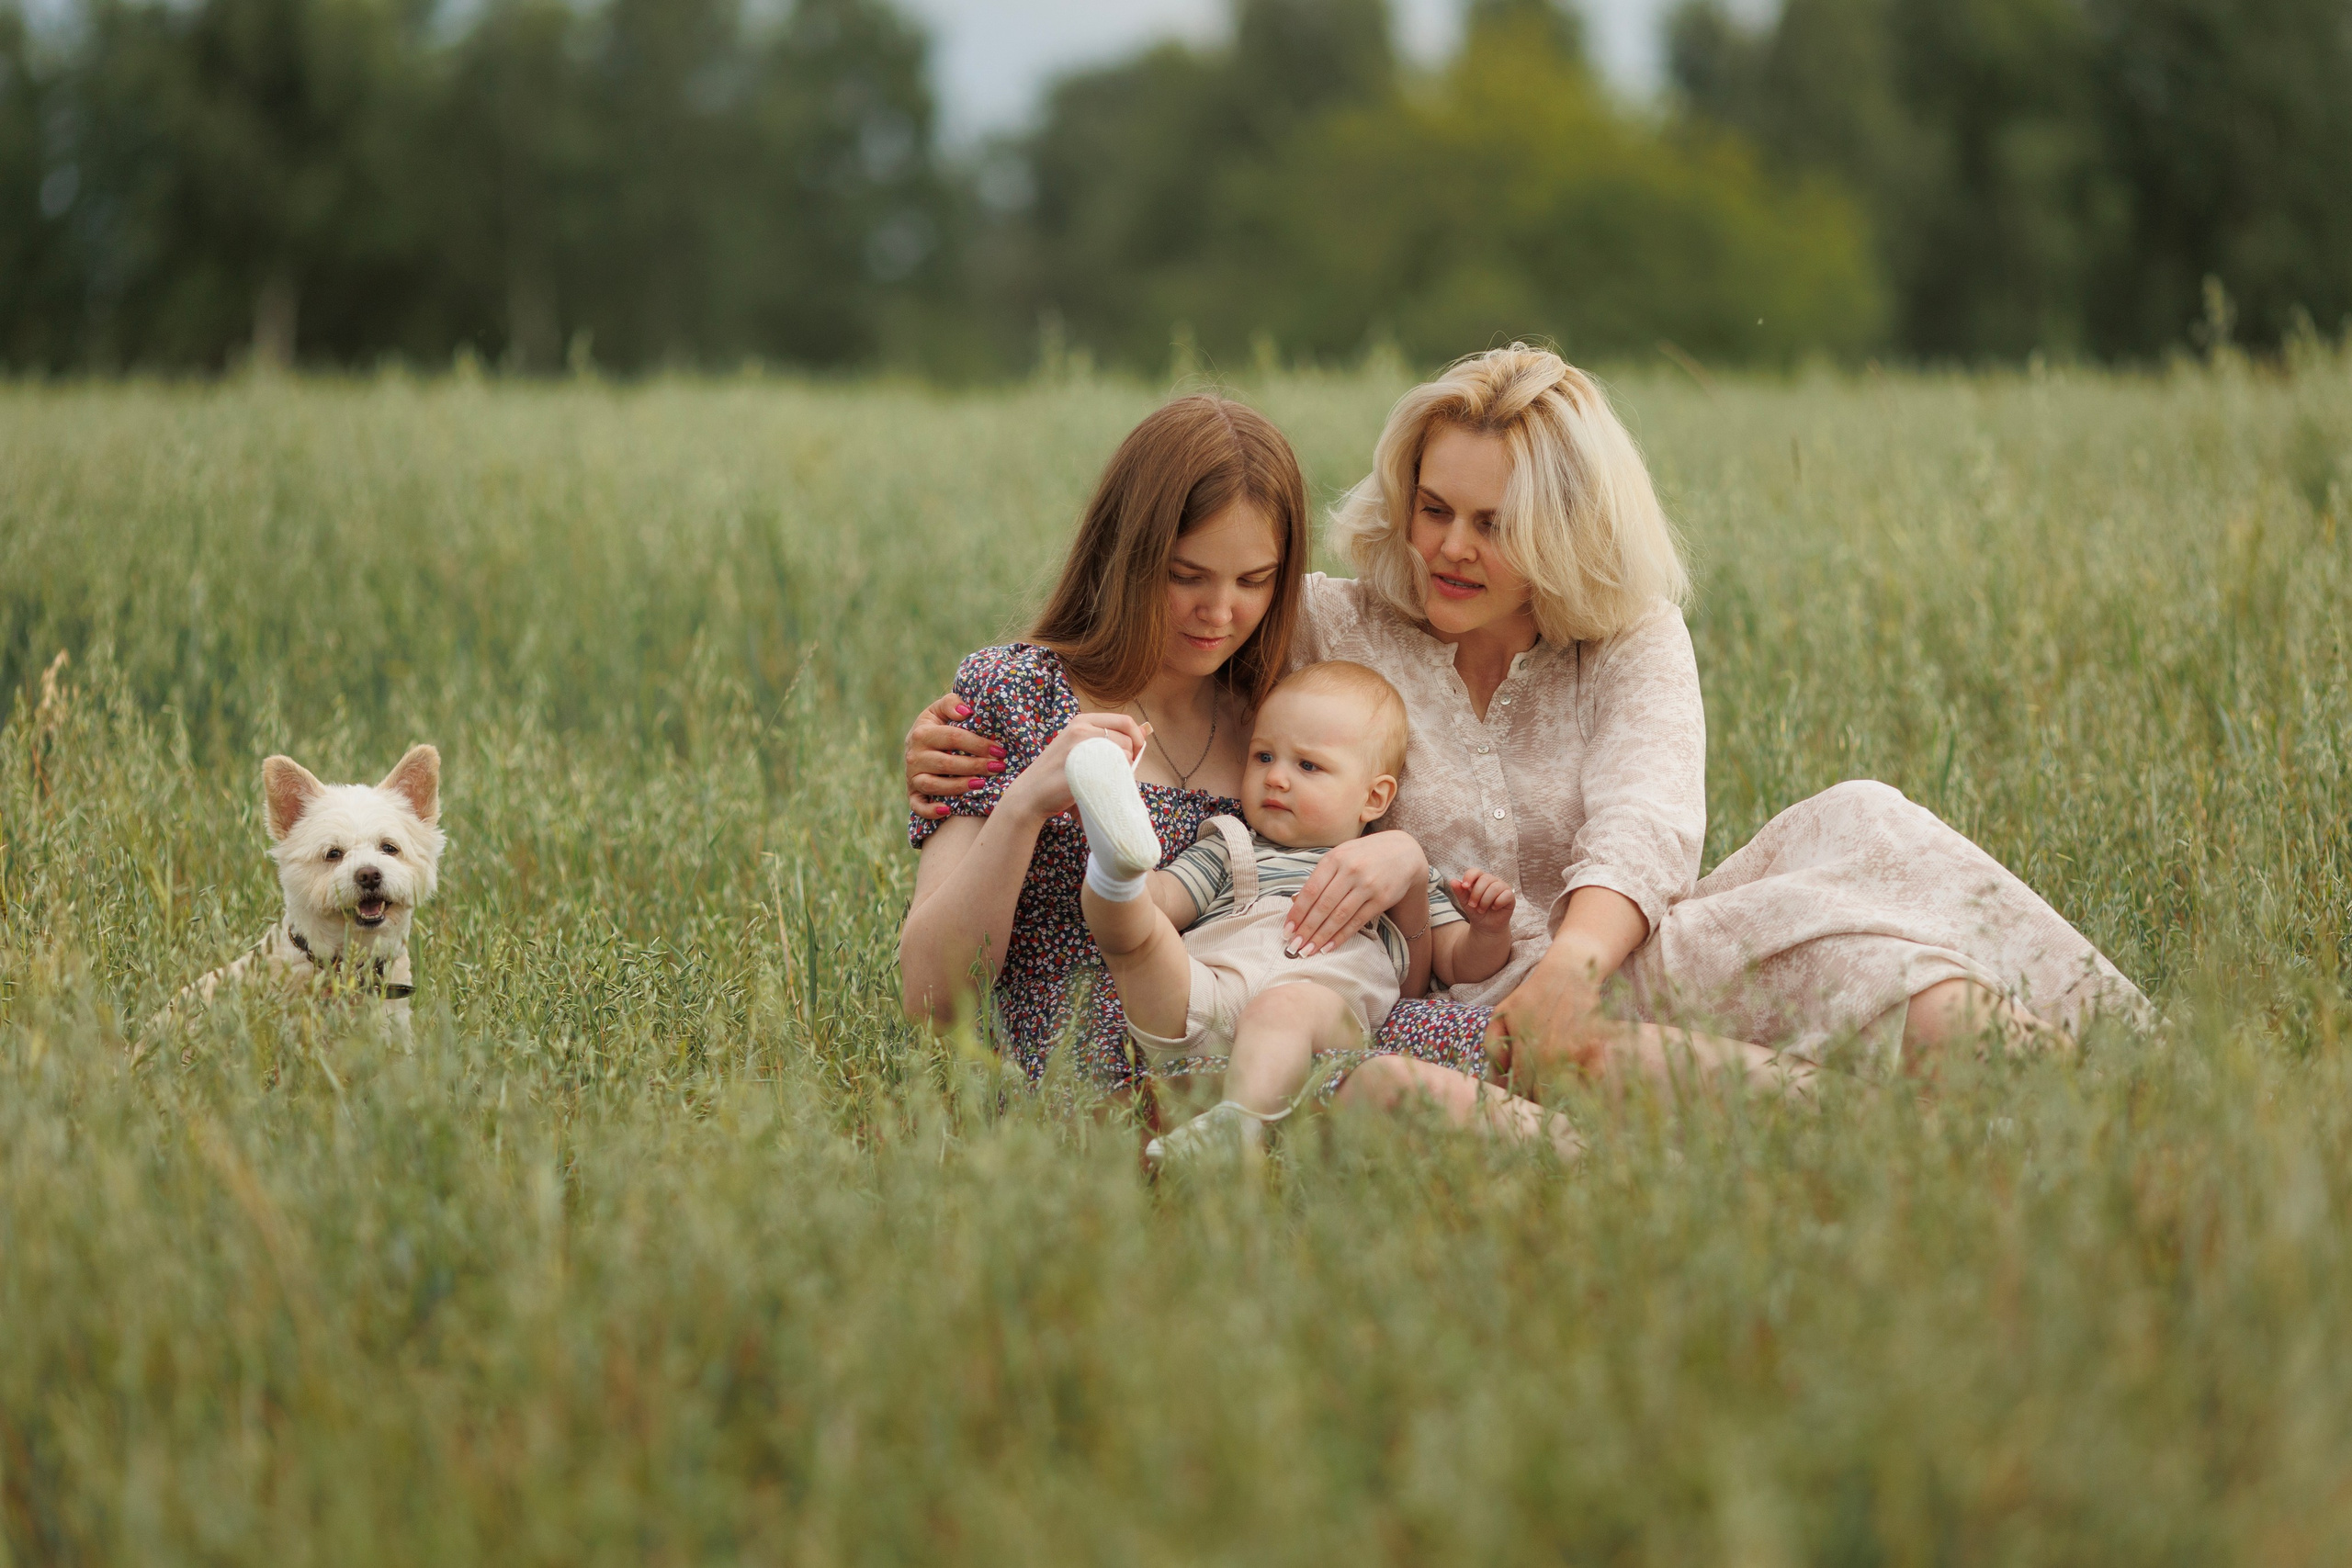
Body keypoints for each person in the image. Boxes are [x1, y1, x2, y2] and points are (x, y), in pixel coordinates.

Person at [907, 346, 2148, 1121]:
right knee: (1663, 1079)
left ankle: (2123, 1107)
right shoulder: (1322, 628)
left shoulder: (1603, 634)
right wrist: (987, 759)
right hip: (1396, 995)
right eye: (1433, 508)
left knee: (1901, 934)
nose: (1450, 546)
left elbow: (1648, 821)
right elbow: (1139, 650)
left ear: (1561, 529)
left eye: (1493, 524)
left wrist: (1518, 942)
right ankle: (1894, 1168)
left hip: (1589, 954)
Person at [896, 393, 1565, 1136]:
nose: (1220, 612)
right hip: (1107, 1054)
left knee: (1551, 1056)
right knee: (1400, 1094)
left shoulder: (1270, 710)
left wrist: (1405, 857)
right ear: (1127, 554)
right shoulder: (1016, 692)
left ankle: (1653, 1169)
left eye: (1254, 581)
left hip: (1300, 1014)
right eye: (1188, 575)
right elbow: (931, 998)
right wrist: (1025, 803)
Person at [1060, 660, 1531, 1163]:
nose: (1276, 778)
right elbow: (1167, 902)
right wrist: (1140, 896)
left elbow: (1459, 965)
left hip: (1324, 1009)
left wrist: (1488, 928)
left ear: (1374, 797)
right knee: (1137, 935)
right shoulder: (1229, 844)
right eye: (1263, 757)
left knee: (1283, 1007)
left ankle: (1236, 1126)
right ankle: (1115, 865)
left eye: (1307, 766)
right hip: (1207, 993)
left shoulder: (1395, 876)